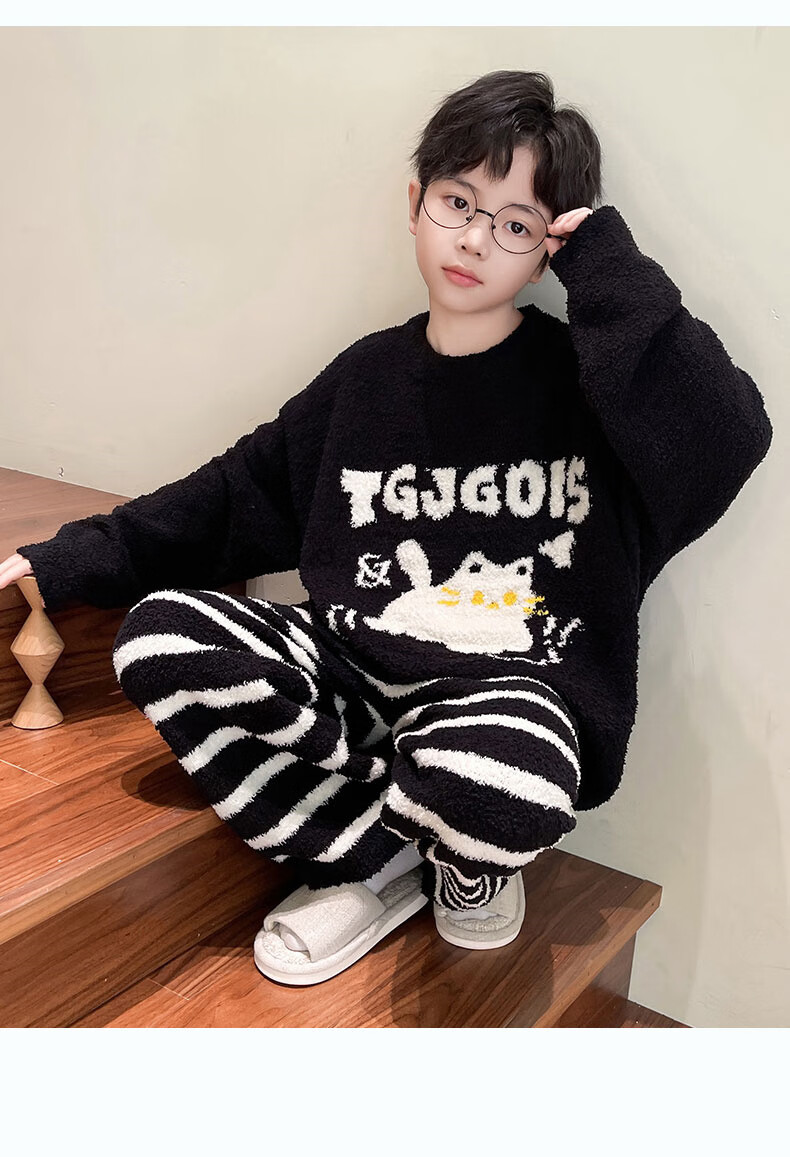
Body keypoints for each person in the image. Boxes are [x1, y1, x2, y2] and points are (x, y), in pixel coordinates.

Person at [1, 71, 773, 987]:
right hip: (357, 684)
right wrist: (64, 560)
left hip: (509, 695)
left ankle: (454, 855)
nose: (475, 239)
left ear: (547, 253)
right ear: (415, 205)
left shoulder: (592, 385)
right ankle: (389, 853)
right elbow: (228, 497)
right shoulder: (365, 381)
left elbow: (727, 442)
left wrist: (606, 265)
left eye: (516, 224)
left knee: (503, 773)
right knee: (161, 637)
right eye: (458, 203)